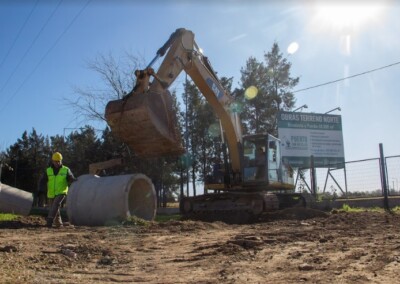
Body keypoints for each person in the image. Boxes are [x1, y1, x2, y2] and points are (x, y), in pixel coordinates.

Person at [41, 152, 75, 228]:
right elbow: (43, 180)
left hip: (62, 191)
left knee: (56, 204)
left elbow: (71, 177)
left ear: (61, 160)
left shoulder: (66, 170)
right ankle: (59, 224)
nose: (58, 163)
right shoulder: (48, 170)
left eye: (59, 161)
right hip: (51, 193)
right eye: (56, 161)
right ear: (52, 161)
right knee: (55, 208)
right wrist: (41, 189)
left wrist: (73, 180)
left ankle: (49, 221)